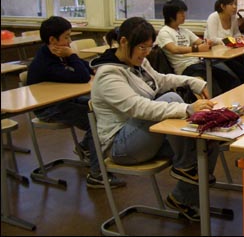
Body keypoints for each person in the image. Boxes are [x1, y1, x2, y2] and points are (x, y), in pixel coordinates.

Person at [90, 17, 220, 222]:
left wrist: (192, 82)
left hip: (146, 137)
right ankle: (185, 165)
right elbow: (139, 107)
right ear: (123, 42)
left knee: (207, 140)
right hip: (122, 146)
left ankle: (182, 198)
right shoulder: (108, 74)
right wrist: (187, 108)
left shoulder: (139, 62)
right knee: (171, 99)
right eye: (142, 47)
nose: (146, 53)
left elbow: (162, 80)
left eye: (150, 47)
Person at [26, 16, 125, 189]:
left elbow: (87, 69)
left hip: (65, 99)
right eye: (66, 37)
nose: (70, 41)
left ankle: (86, 147)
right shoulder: (45, 62)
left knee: (103, 106)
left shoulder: (59, 54)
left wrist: (72, 56)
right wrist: (72, 55)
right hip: (48, 108)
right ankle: (97, 174)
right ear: (52, 40)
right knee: (94, 119)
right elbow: (82, 77)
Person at [156, 0, 240, 96]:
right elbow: (174, 49)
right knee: (213, 86)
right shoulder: (164, 32)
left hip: (198, 63)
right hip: (185, 68)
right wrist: (197, 48)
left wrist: (207, 42)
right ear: (171, 15)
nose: (184, 15)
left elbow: (200, 42)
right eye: (181, 13)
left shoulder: (185, 31)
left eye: (184, 12)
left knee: (229, 78)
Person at [204, 0, 244, 83]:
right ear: (222, 6)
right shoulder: (213, 17)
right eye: (231, 4)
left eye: (235, 4)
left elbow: (236, 33)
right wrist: (230, 40)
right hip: (215, 55)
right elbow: (212, 39)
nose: (234, 7)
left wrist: (241, 37)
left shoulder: (233, 18)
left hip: (230, 52)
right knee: (239, 74)